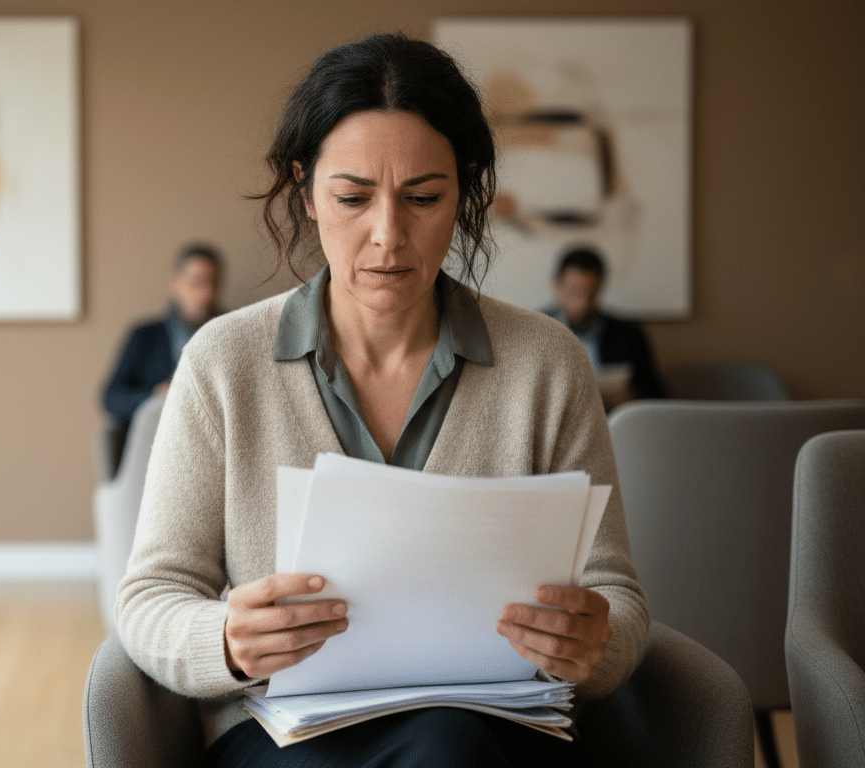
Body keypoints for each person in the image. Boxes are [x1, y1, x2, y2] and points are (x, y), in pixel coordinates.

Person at [115, 33, 648, 767]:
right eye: (352, 197)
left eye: (423, 198)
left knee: (447, 744)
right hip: (286, 734)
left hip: (491, 733)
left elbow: (615, 594)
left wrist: (594, 639)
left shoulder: (547, 363)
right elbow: (151, 596)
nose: (388, 237)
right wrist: (226, 643)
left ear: (463, 193)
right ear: (305, 191)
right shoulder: (222, 362)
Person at [102, 243, 223, 430]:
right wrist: (156, 395)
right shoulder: (145, 336)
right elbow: (111, 399)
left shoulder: (230, 333)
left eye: (212, 283)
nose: (206, 294)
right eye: (197, 283)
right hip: (157, 437)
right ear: (175, 283)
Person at [545, 248, 667, 409]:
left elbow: (657, 395)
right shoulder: (536, 331)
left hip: (612, 424)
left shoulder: (628, 333)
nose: (582, 303)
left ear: (600, 288)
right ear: (557, 287)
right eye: (575, 292)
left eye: (590, 294)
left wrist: (631, 396)